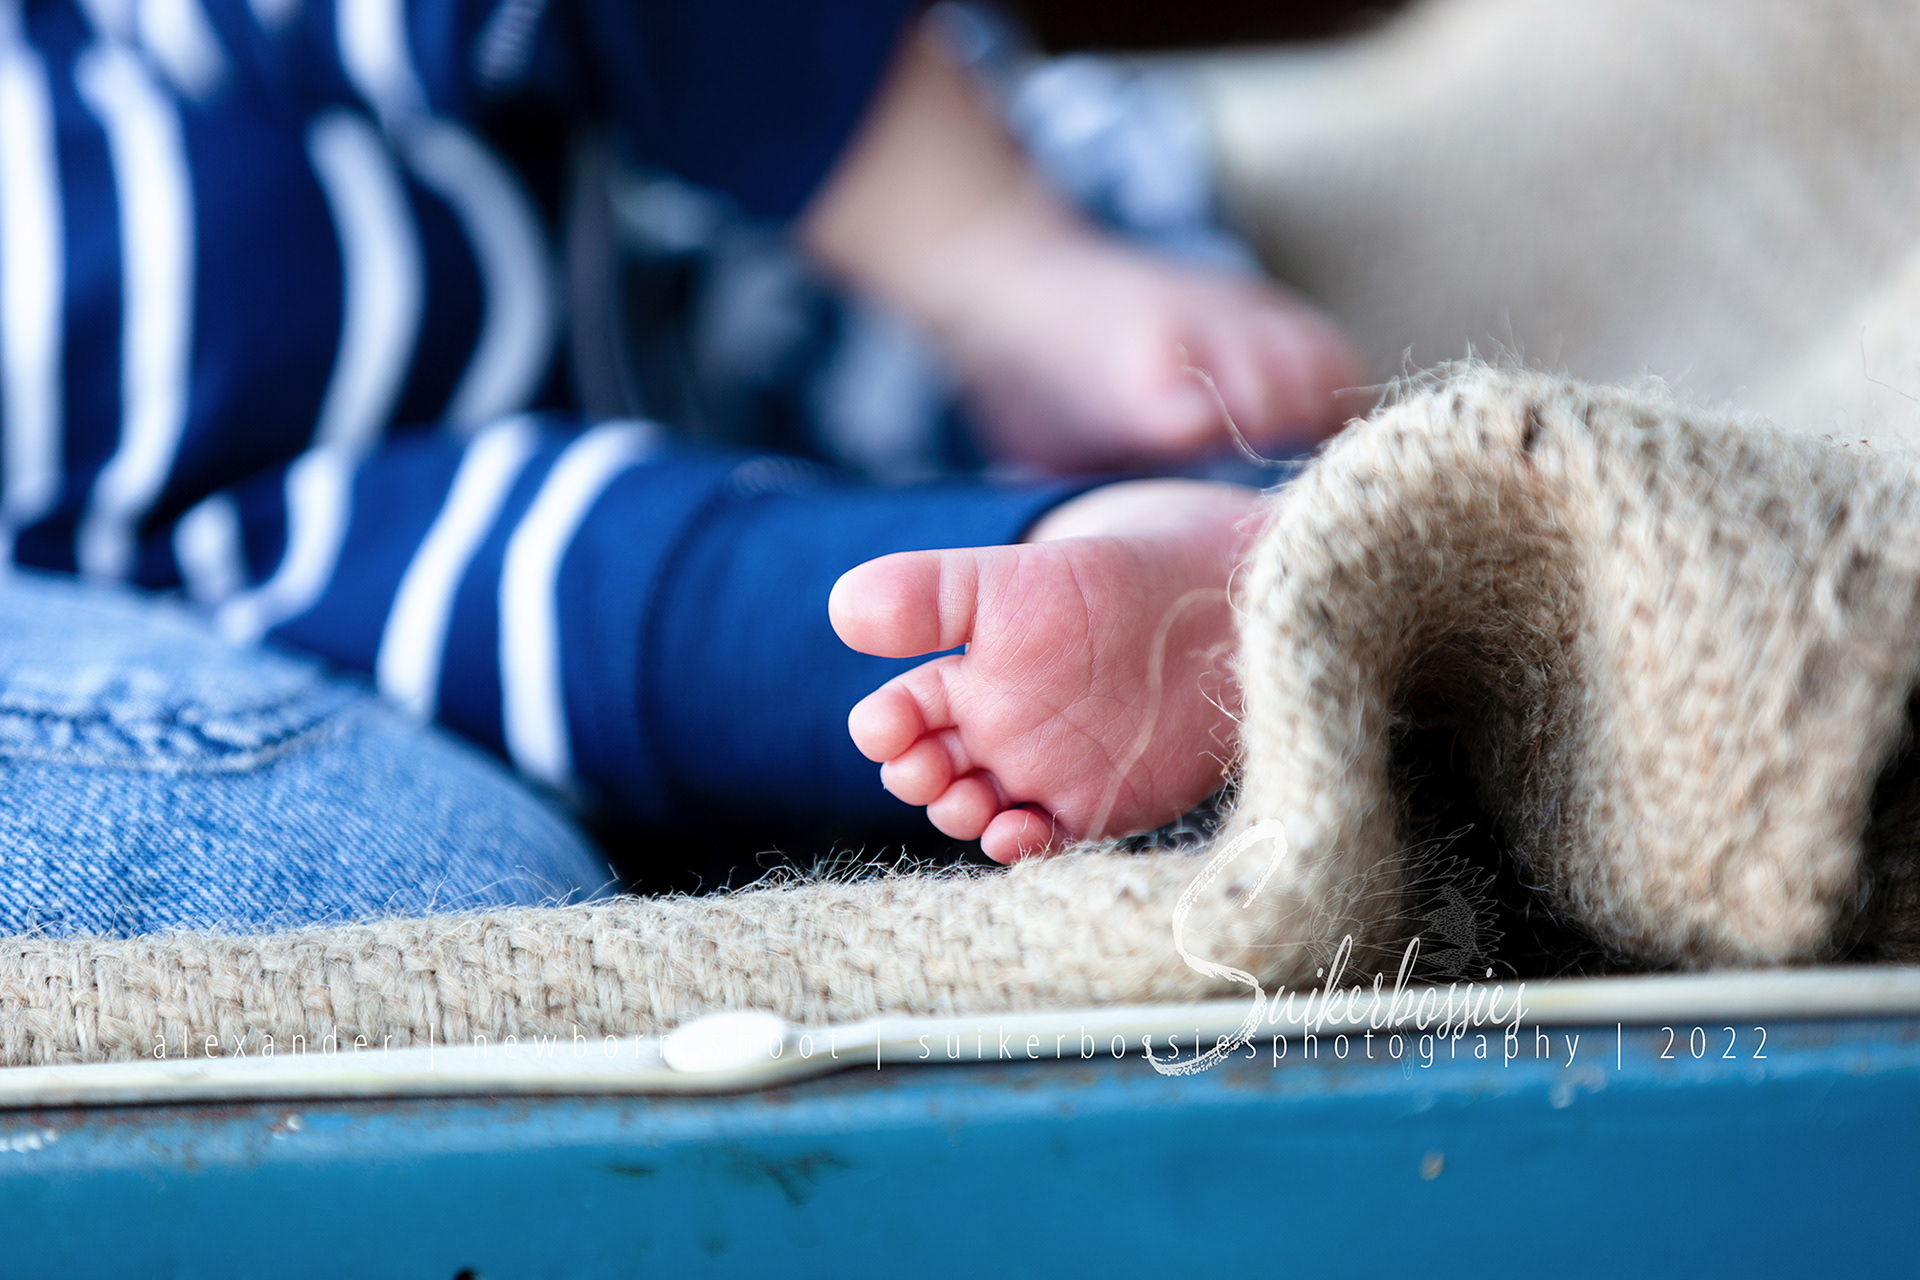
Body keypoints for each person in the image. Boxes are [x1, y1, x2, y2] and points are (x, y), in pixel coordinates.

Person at [0, 0, 1362, 931]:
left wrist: (983, 255)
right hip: (169, 538)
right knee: (584, 620)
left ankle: (1000, 266)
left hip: (600, 185)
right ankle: (1095, 567)